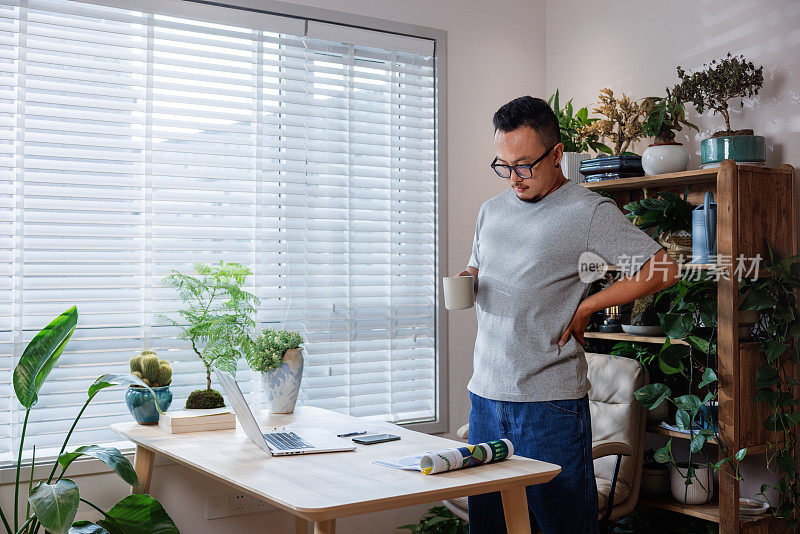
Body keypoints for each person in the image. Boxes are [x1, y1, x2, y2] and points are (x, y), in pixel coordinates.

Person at [457, 95, 680, 533]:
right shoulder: (492, 210)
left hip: (548, 404)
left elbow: (663, 268)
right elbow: (480, 266)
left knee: (560, 526)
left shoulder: (586, 211)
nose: (514, 177)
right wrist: (465, 276)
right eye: (503, 165)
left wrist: (589, 305)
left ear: (557, 154)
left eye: (524, 165)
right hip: (485, 395)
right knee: (490, 527)